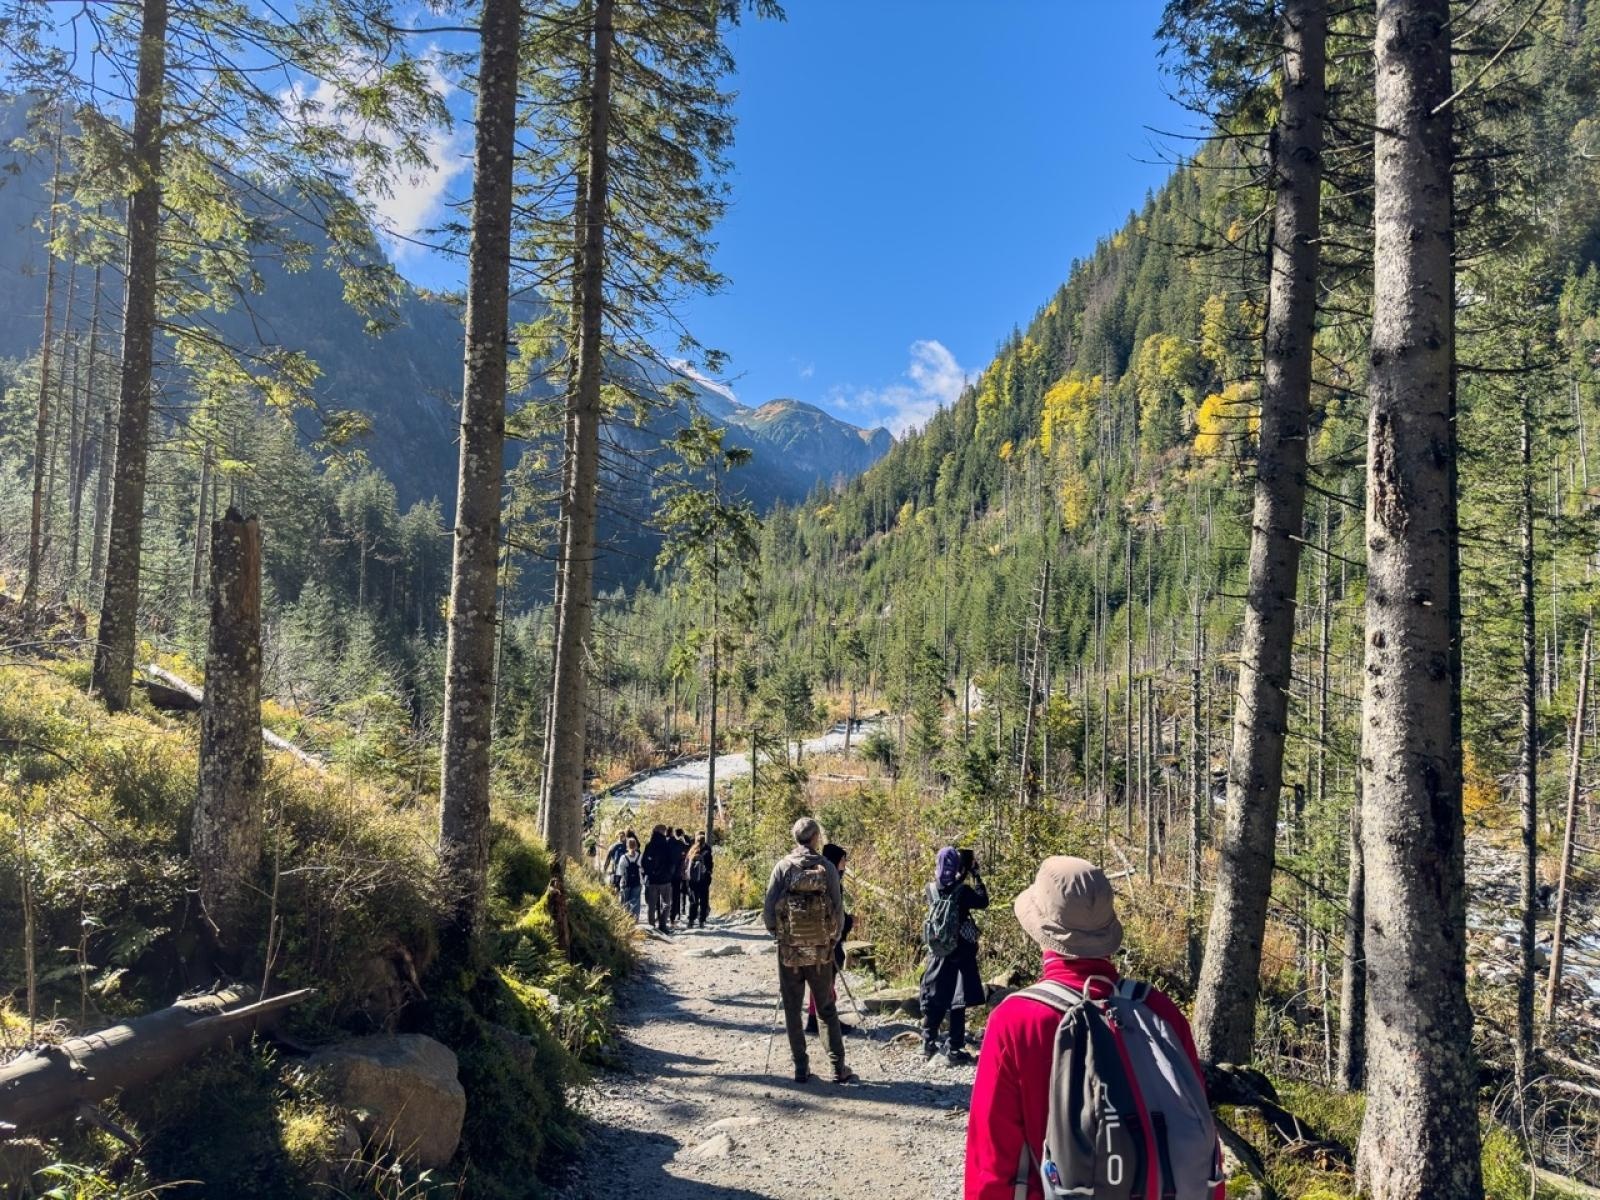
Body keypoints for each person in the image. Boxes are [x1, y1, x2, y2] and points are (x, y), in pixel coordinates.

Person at [964, 857, 1222, 1200]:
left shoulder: (1016, 1020)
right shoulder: (1159, 1010)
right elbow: (1199, 1134)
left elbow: (993, 1162)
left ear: (1041, 931)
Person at [763, 817, 857, 1084]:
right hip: (821, 952)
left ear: (796, 838)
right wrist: (831, 940)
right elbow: (837, 912)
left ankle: (801, 1068)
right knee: (826, 1008)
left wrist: (781, 936)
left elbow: (769, 912)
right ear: (816, 838)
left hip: (789, 952)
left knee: (792, 1008)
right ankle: (838, 1067)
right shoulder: (826, 867)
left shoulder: (782, 868)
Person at [921, 846, 990, 1065]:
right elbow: (983, 901)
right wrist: (976, 875)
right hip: (960, 953)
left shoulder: (930, 889)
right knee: (957, 1001)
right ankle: (954, 1048)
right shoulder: (963, 891)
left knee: (935, 997)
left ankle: (928, 1043)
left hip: (938, 952)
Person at [806, 842, 855, 1035]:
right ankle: (826, 1021)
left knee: (818, 982)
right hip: (829, 940)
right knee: (827, 982)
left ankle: (812, 1019)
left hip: (812, 936)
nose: (845, 864)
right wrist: (850, 921)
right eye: (843, 860)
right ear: (836, 860)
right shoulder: (833, 880)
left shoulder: (816, 877)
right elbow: (835, 915)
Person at [641, 826, 677, 933]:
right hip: (665, 880)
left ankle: (651, 927)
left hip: (652, 880)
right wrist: (670, 874)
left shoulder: (649, 845)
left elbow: (644, 862)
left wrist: (649, 873)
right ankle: (662, 925)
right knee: (666, 904)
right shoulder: (667, 845)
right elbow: (672, 862)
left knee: (651, 905)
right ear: (662, 832)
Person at [686, 831, 714, 928]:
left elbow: (686, 864)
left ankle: (691, 920)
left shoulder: (691, 850)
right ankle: (702, 921)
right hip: (704, 880)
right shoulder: (707, 851)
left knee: (693, 901)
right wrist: (709, 873)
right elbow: (710, 865)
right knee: (703, 900)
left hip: (692, 880)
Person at [613, 836, 644, 921]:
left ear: (627, 846)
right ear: (636, 846)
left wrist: (616, 884)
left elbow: (619, 872)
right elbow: (643, 869)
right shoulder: (640, 856)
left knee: (625, 902)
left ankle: (625, 920)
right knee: (636, 902)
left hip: (625, 882)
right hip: (637, 882)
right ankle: (635, 920)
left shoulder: (624, 857)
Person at [602, 829, 628, 894]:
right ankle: (621, 901)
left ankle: (616, 901)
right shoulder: (627, 846)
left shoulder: (613, 846)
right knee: (623, 888)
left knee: (615, 887)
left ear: (617, 836)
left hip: (615, 870)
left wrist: (605, 868)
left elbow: (608, 859)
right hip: (625, 871)